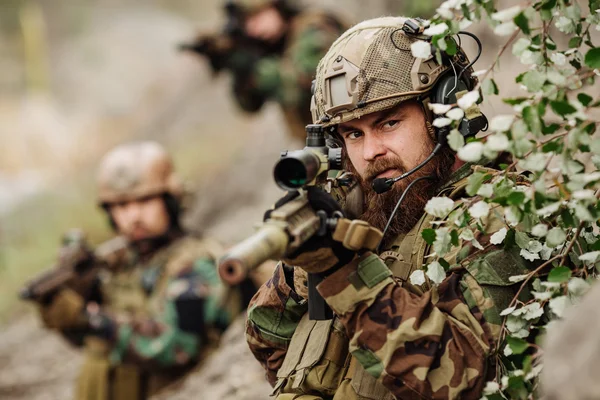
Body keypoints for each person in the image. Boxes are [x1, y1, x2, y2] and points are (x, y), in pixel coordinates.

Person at [245, 17, 533, 399]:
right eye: (353, 134)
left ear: (445, 112)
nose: (370, 153)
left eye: (389, 123)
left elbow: (467, 380)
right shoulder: (371, 209)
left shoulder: (495, 215)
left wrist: (343, 273)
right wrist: (300, 272)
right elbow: (267, 340)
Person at [35, 141, 253, 400]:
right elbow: (99, 346)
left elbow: (176, 348)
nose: (133, 215)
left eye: (145, 200)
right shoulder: (121, 264)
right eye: (122, 205)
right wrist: (69, 314)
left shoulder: (195, 263)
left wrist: (90, 318)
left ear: (170, 200)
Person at [180, 0, 347, 141]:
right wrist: (237, 68)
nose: (252, 28)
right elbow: (250, 105)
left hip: (351, 131)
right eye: (245, 23)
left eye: (256, 16)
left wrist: (255, 67)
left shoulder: (315, 25)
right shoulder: (273, 47)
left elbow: (303, 85)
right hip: (324, 143)